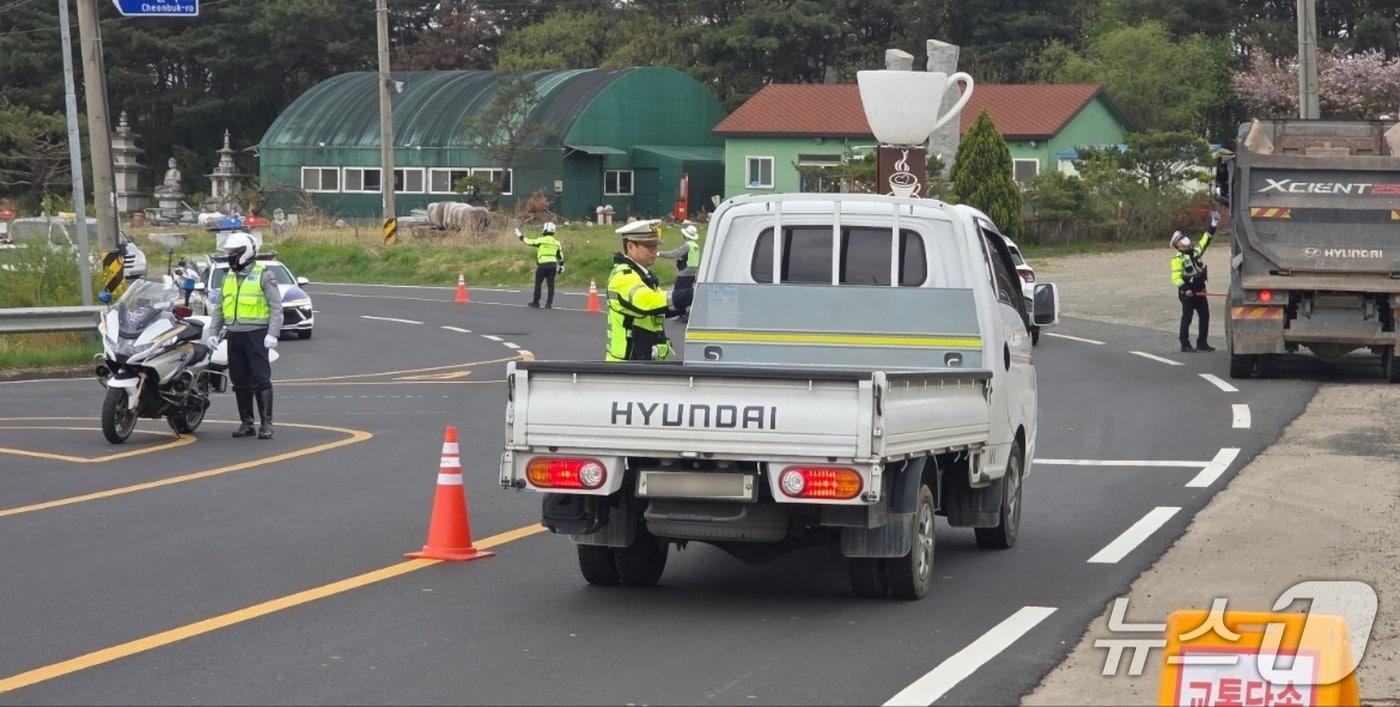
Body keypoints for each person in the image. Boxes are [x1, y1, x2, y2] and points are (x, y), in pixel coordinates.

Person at [207, 231, 282, 439]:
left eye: (233, 252)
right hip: (234, 335)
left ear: (245, 252)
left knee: (260, 379)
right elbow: (220, 308)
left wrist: (273, 333)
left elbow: (276, 307)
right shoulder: (228, 276)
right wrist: (214, 333)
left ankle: (266, 424)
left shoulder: (264, 274)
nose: (230, 255)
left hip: (256, 334)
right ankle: (246, 423)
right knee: (239, 380)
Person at [606, 219, 693, 361]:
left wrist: (684, 306)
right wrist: (685, 296)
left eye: (656, 245)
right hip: (626, 366)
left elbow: (659, 311)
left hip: (643, 361)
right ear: (631, 246)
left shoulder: (644, 275)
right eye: (649, 246)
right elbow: (647, 303)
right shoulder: (623, 276)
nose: (655, 250)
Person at [1171, 211, 1220, 353]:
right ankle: (1184, 344)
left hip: (1200, 288)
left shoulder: (1196, 251)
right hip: (1187, 292)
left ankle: (1202, 343)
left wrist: (1213, 224)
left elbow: (1206, 239)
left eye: (1183, 237)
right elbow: (1175, 277)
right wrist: (1185, 288)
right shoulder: (1177, 259)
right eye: (1181, 239)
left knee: (1205, 316)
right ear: (1177, 245)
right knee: (1187, 317)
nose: (1185, 240)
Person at [659, 223, 701, 321]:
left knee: (678, 293)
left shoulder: (687, 246)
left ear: (685, 235)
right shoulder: (696, 246)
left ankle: (681, 312)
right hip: (692, 272)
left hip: (684, 272)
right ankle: (687, 311)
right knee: (688, 292)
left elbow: (674, 253)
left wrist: (660, 254)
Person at [517, 222, 564, 309]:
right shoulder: (557, 243)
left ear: (545, 229)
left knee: (538, 284)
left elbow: (528, 242)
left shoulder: (541, 240)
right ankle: (549, 304)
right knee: (551, 285)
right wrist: (561, 266)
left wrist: (520, 235)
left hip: (542, 266)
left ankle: (536, 302)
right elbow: (560, 256)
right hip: (553, 266)